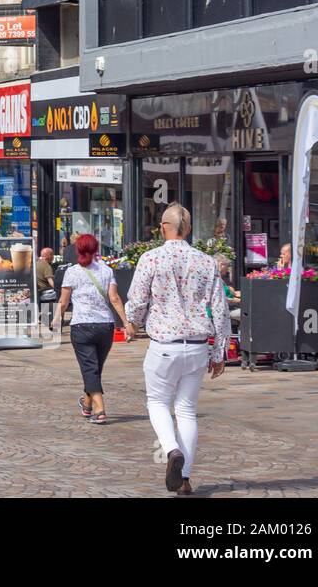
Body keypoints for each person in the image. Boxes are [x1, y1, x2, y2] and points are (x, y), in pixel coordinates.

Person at [125, 203, 231, 496]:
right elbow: (219, 309)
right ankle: (184, 479)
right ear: (189, 229)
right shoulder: (206, 262)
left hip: (164, 345)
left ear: (163, 227)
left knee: (157, 403)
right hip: (197, 345)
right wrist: (220, 350)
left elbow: (136, 300)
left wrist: (132, 322)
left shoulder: (151, 259)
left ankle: (171, 451)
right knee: (187, 411)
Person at [52, 234, 128, 426]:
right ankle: (87, 404)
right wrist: (126, 322)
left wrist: (55, 319)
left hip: (82, 325)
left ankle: (100, 409)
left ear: (78, 250)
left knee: (90, 368)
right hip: (105, 326)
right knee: (95, 367)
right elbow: (115, 298)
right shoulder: (106, 270)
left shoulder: (72, 272)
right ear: (96, 249)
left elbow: (64, 301)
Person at [215, 254, 241, 327]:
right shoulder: (215, 279)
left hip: (227, 307)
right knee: (249, 313)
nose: (228, 269)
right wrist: (235, 300)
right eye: (227, 266)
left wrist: (234, 293)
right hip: (221, 311)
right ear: (221, 265)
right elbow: (217, 298)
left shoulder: (219, 278)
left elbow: (227, 292)